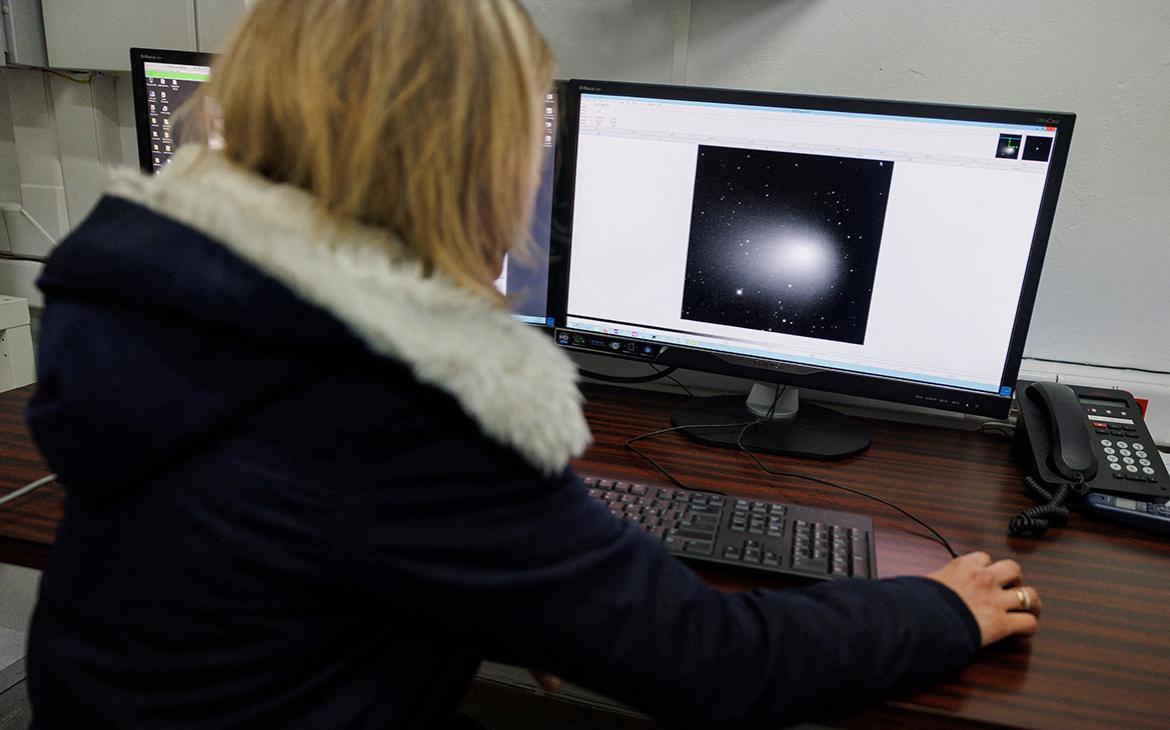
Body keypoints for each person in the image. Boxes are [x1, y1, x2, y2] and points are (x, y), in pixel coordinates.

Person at [25, 0, 1041, 727]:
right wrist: (939, 608)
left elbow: (305, 552)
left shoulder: (167, 307)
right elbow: (715, 665)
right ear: (471, 155)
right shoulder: (396, 404)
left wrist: (506, 601)